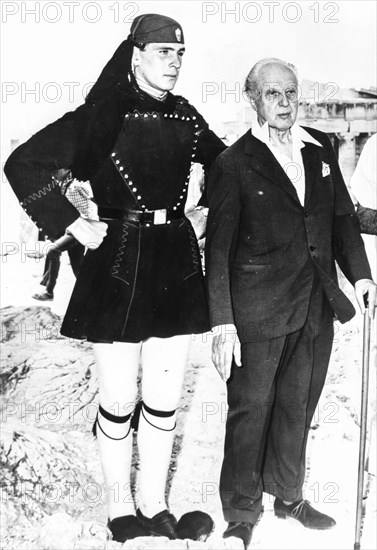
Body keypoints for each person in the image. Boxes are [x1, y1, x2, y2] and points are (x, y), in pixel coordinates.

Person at [4, 13, 225, 543]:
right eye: (162, 52)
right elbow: (22, 164)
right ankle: (118, 506)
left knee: (165, 396)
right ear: (136, 54)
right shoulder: (102, 115)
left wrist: (205, 213)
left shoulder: (186, 117)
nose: (173, 63)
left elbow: (230, 168)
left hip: (173, 258)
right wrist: (73, 223)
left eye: (180, 54)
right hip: (117, 261)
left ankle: (156, 504)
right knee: (120, 397)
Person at [205, 58, 377, 549]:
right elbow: (217, 250)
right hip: (255, 309)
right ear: (253, 99)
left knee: (297, 405)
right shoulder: (233, 162)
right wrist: (223, 325)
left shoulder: (318, 147)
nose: (283, 103)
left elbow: (342, 219)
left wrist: (361, 277)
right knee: (251, 409)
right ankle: (240, 513)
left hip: (315, 303)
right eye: (272, 93)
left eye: (290, 93)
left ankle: (288, 495)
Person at [32, 176, 97, 301]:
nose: (54, 174)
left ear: (67, 170)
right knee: (75, 263)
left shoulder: (79, 184)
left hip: (80, 228)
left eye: (57, 170)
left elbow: (94, 204)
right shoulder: (60, 185)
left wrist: (89, 224)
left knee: (59, 255)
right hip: (69, 228)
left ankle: (50, 292)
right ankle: (90, 292)